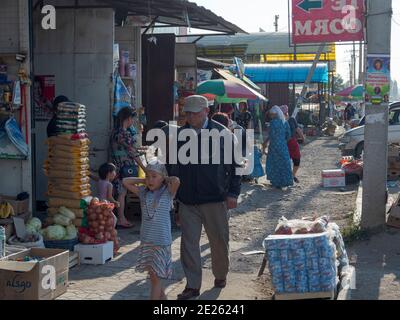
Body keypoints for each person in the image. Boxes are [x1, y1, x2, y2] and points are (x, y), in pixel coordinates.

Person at [172, 95, 241, 300]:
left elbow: (236, 166)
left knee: (219, 240)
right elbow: (174, 166)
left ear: (206, 112)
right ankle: (192, 285)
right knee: (189, 243)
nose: (190, 116)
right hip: (188, 199)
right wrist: (175, 198)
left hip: (215, 197)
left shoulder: (223, 135)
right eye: (188, 113)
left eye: (194, 112)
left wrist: (233, 193)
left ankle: (220, 275)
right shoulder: (180, 135)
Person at [123, 160, 180, 300]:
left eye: (154, 176)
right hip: (147, 241)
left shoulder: (168, 193)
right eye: (148, 176)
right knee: (154, 278)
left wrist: (164, 179)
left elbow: (176, 181)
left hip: (161, 242)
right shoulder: (143, 192)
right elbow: (126, 181)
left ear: (163, 177)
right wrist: (145, 179)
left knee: (155, 279)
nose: (150, 180)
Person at [111, 107, 147, 228]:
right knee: (122, 193)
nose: (133, 121)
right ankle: (121, 218)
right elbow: (132, 152)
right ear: (128, 118)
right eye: (133, 118)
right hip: (123, 166)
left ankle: (120, 217)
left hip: (117, 165)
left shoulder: (116, 131)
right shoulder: (123, 133)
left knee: (121, 192)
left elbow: (128, 149)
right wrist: (144, 168)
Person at [263, 106, 293, 189]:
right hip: (283, 146)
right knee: (284, 163)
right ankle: (286, 181)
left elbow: (271, 135)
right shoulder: (285, 122)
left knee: (274, 164)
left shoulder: (272, 123)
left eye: (272, 115)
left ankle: (276, 182)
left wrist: (267, 143)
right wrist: (283, 141)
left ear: (275, 114)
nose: (271, 116)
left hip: (273, 147)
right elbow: (289, 135)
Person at [280, 105, 305, 183]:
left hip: (293, 142)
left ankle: (293, 175)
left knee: (297, 160)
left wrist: (303, 138)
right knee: (286, 161)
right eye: (284, 113)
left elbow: (298, 129)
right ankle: (287, 176)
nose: (285, 114)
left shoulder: (292, 120)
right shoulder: (280, 121)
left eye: (286, 112)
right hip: (284, 143)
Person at [96, 163, 119, 227]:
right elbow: (109, 197)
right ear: (109, 173)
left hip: (98, 203)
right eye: (114, 171)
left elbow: (94, 178)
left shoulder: (100, 181)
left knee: (101, 220)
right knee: (114, 219)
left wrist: (89, 174)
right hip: (105, 205)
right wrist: (115, 202)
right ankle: (111, 233)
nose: (115, 173)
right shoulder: (109, 185)